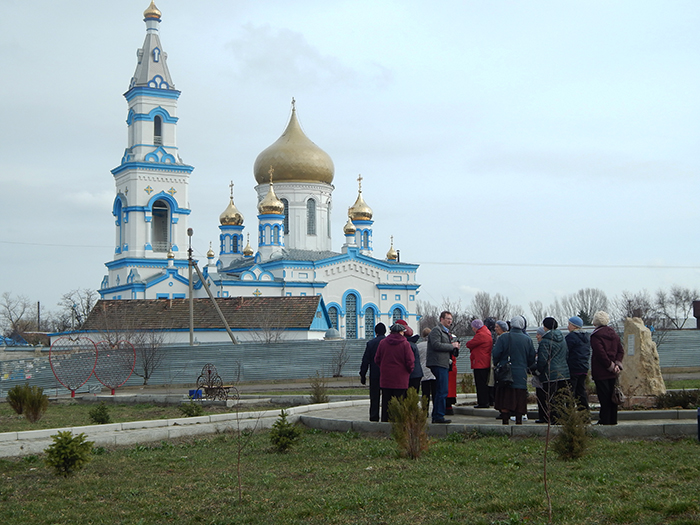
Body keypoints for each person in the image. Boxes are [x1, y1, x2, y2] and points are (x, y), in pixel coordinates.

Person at [492, 315, 535, 425]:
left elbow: (496, 354)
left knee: (505, 398)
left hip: (505, 374)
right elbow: (531, 358)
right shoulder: (528, 340)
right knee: (520, 399)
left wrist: (498, 364)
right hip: (521, 374)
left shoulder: (503, 338)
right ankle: (519, 422)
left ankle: (505, 422)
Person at [374, 322, 415, 422]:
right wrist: (408, 371)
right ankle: (398, 424)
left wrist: (384, 368)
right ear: (401, 332)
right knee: (399, 402)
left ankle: (385, 423)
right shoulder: (405, 344)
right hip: (401, 379)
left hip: (386, 379)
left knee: (386, 403)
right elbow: (410, 361)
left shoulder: (383, 343)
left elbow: (377, 359)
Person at [590, 311, 624, 425]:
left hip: (601, 371)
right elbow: (621, 350)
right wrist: (617, 365)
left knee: (604, 397)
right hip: (614, 371)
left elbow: (600, 354)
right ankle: (613, 420)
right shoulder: (614, 334)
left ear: (595, 321)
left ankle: (604, 421)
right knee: (613, 396)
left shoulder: (595, 336)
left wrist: (610, 365)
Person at [426, 311, 461, 424]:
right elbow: (436, 345)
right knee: (442, 390)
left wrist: (454, 348)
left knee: (441, 390)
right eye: (447, 319)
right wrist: (451, 346)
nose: (450, 321)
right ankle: (438, 416)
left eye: (451, 319)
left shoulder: (447, 332)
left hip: (444, 363)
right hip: (438, 363)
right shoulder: (437, 330)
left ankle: (437, 414)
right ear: (441, 319)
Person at [536, 317, 570, 424]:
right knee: (561, 398)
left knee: (551, 398)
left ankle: (553, 419)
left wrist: (538, 371)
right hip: (564, 372)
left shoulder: (545, 341)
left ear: (545, 326)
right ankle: (562, 418)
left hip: (550, 374)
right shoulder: (563, 339)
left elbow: (543, 360)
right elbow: (566, 354)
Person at [359, 323, 386, 421]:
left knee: (374, 396)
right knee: (386, 397)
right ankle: (385, 417)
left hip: (374, 374)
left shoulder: (371, 343)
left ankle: (374, 416)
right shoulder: (388, 342)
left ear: (376, 332)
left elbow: (365, 360)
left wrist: (363, 375)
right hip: (386, 374)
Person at [566, 316, 591, 411]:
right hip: (583, 367)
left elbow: (567, 351)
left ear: (574, 326)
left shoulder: (571, 337)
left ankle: (570, 413)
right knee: (581, 391)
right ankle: (584, 413)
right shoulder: (586, 337)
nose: (568, 327)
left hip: (573, 367)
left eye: (569, 324)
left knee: (570, 392)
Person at [466, 319, 493, 408]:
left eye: (473, 327)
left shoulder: (480, 335)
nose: (473, 329)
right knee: (485, 382)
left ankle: (483, 402)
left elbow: (469, 344)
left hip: (480, 362)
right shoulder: (487, 332)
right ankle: (487, 401)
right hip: (485, 361)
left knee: (480, 383)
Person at [396, 319, 423, 393]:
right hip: (416, 373)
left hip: (410, 374)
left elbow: (409, 360)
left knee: (408, 397)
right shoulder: (412, 343)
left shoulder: (406, 344)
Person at [417, 327, 436, 412]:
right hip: (433, 371)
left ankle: (425, 410)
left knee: (425, 393)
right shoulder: (434, 344)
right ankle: (436, 410)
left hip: (423, 371)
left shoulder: (419, 346)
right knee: (435, 393)